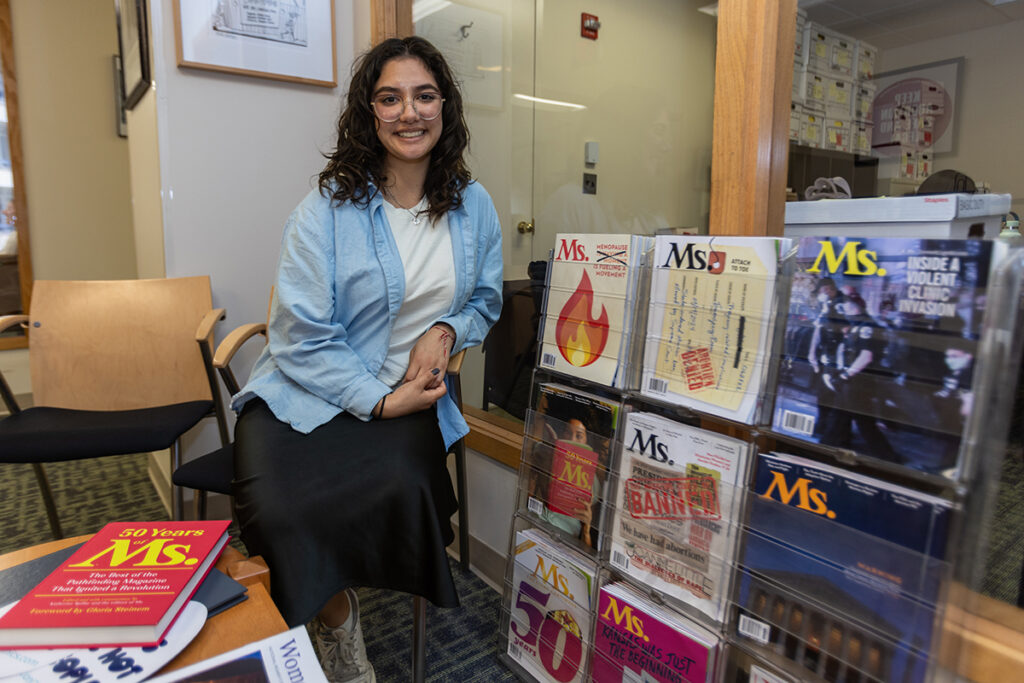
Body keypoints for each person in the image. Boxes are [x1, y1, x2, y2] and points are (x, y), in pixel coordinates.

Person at [229, 36, 503, 683]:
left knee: (403, 487)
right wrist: (376, 400)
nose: (409, 112)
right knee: (279, 511)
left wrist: (447, 326)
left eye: (424, 95)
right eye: (390, 97)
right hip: (307, 393)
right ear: (370, 112)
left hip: (409, 399)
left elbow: (487, 298)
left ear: (445, 106)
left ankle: (339, 609)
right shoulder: (325, 208)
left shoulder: (475, 205)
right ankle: (337, 621)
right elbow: (296, 333)